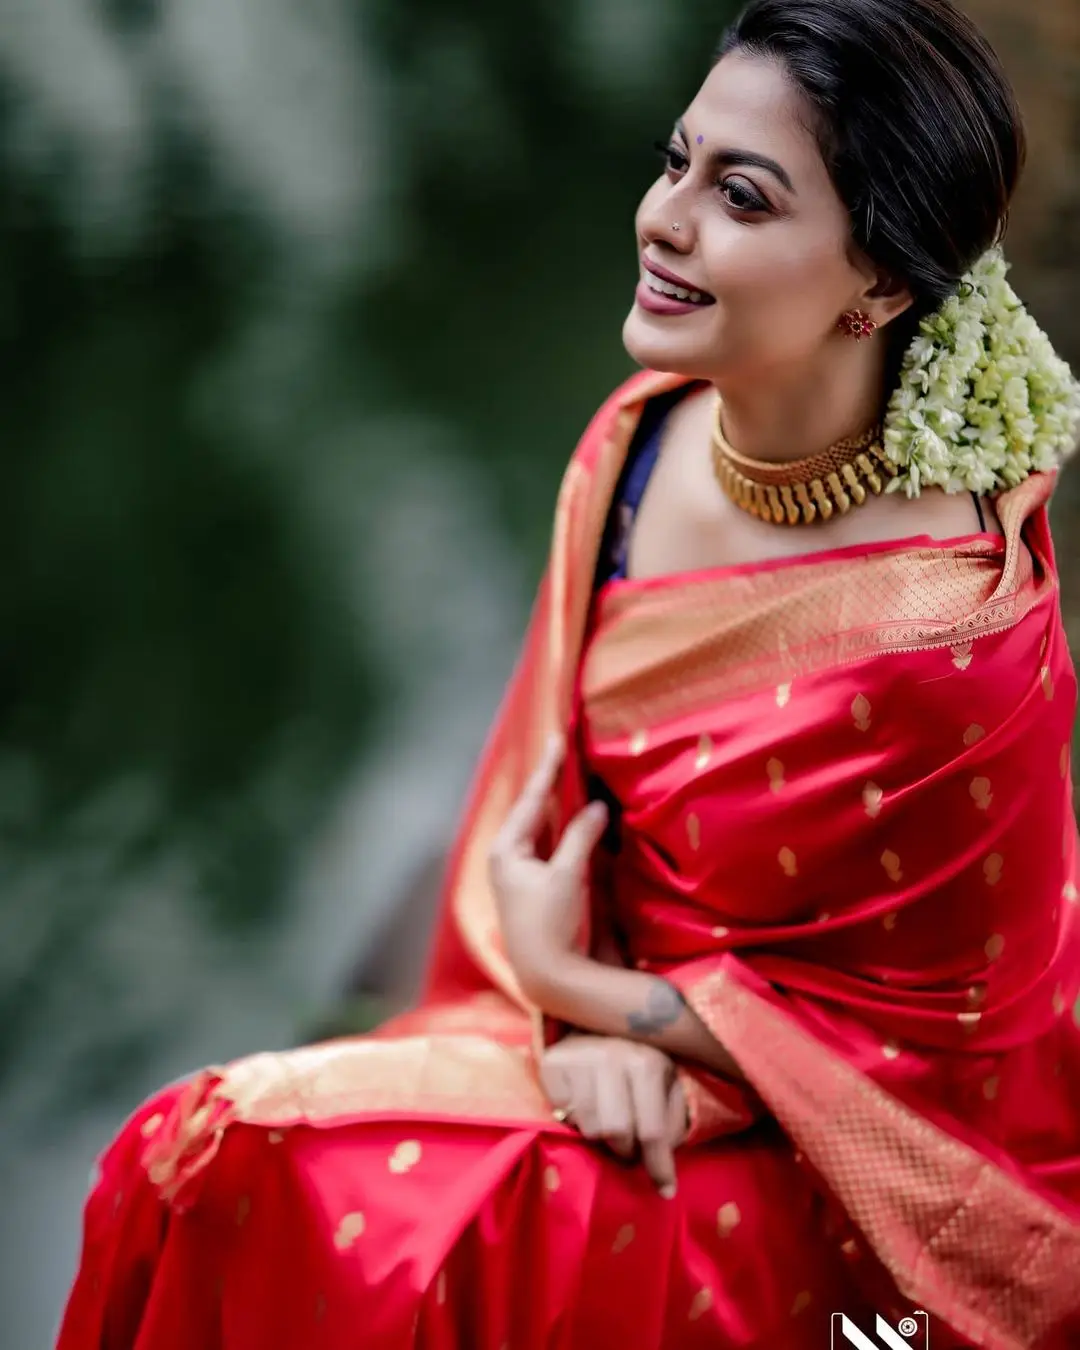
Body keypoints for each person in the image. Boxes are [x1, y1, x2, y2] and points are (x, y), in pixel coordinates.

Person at [57, 1, 1080, 1346]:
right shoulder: (644, 436)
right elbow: (547, 789)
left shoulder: (946, 639)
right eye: (676, 163)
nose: (664, 219)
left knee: (273, 1185)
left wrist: (599, 998)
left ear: (881, 288)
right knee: (189, 1163)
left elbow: (940, 1045)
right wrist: (571, 1013)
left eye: (743, 196)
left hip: (813, 1164)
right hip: (584, 1023)